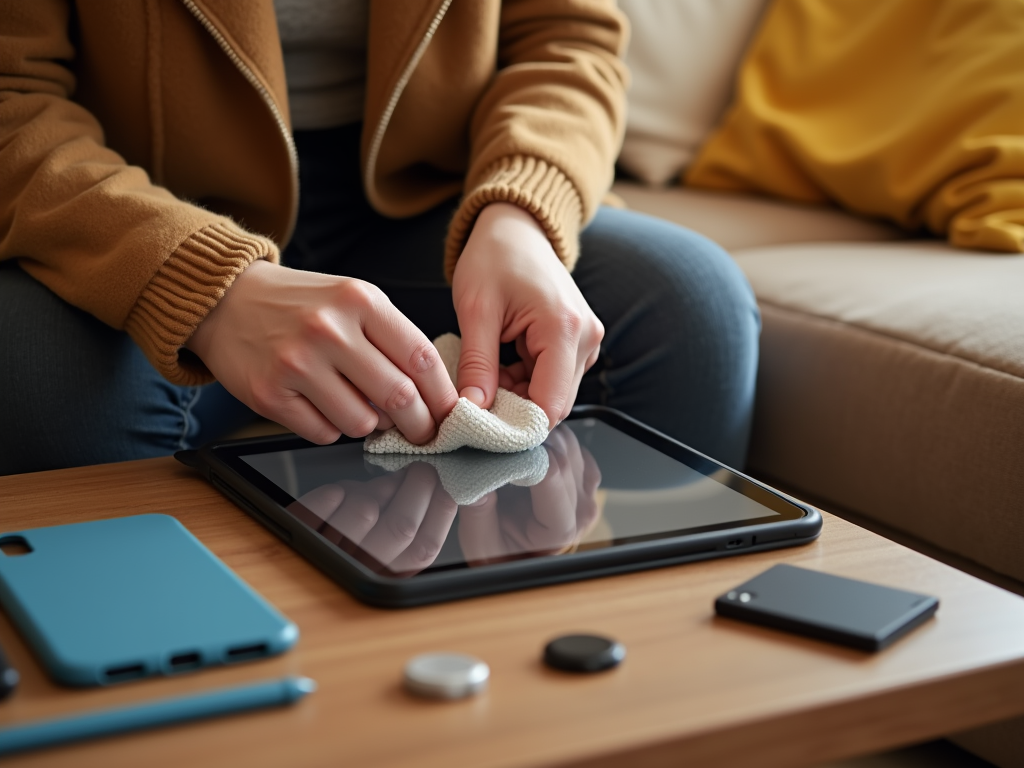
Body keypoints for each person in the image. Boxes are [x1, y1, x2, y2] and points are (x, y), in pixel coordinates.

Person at [0, 0, 759, 477]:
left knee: (692, 310)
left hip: (432, 194)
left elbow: (569, 41)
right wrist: (198, 282)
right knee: (39, 381)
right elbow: (13, 95)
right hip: (142, 197)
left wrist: (522, 209)